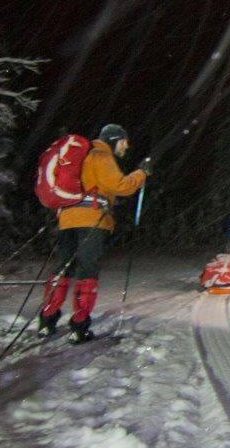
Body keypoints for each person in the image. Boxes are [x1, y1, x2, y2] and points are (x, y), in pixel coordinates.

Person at [37, 124, 149, 343]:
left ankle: (47, 320)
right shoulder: (100, 155)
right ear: (114, 140)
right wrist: (141, 173)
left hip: (67, 219)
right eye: (124, 142)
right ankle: (79, 327)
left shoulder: (84, 156)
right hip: (91, 220)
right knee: (87, 272)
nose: (125, 147)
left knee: (63, 268)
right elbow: (121, 185)